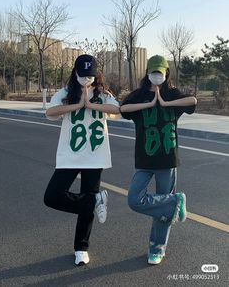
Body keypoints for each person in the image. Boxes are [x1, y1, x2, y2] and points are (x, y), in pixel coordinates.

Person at [120, 55, 197, 265]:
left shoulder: (173, 94)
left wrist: (165, 102)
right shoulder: (138, 95)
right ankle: (176, 201)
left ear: (166, 73)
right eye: (153, 72)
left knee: (162, 212)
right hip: (144, 159)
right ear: (147, 72)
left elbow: (193, 101)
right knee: (135, 199)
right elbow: (123, 109)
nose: (156, 75)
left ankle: (157, 248)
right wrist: (149, 104)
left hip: (168, 159)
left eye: (160, 72)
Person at [44, 54, 120, 266]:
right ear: (75, 73)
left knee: (87, 199)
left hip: (95, 154)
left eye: (90, 75)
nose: (87, 79)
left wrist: (91, 105)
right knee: (52, 196)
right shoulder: (66, 92)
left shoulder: (103, 94)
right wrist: (77, 105)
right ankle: (94, 200)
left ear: (96, 74)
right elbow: (50, 113)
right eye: (83, 75)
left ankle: (81, 248)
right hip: (70, 153)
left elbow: (117, 110)